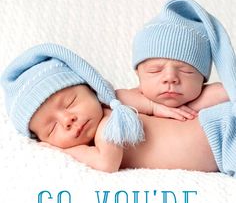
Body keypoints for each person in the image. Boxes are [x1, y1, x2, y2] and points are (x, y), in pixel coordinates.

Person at [1, 43, 235, 176]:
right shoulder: (114, 118)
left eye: (70, 102)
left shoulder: (109, 123)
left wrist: (61, 149)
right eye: (52, 129)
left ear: (92, 89)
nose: (68, 120)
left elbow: (106, 164)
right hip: (218, 145)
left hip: (217, 133)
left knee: (212, 94)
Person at [116, 0, 236, 120]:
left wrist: (193, 106)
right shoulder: (137, 97)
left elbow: (228, 89)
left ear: (203, 78)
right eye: (155, 70)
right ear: (139, 74)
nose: (170, 78)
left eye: (186, 71)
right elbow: (110, 96)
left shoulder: (204, 96)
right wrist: (153, 107)